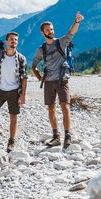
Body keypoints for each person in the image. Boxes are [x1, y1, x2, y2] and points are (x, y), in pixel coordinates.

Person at [31, 11, 84, 148]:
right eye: (48, 30)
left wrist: (77, 21)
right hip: (49, 82)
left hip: (62, 80)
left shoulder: (61, 42)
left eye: (52, 29)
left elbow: (71, 33)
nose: (51, 32)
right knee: (51, 109)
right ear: (43, 33)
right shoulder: (41, 49)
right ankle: (56, 136)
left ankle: (67, 136)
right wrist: (40, 78)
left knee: (66, 107)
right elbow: (34, 66)